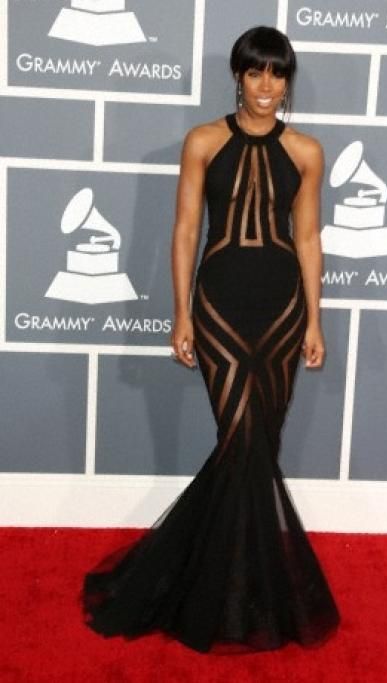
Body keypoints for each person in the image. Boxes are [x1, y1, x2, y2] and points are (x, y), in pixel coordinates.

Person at [81, 25, 341, 654]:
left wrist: (314, 319)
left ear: (287, 81)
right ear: (237, 76)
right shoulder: (202, 141)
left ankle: (241, 589)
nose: (266, 86)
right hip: (220, 307)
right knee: (239, 441)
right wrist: (181, 314)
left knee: (259, 445)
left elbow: (308, 238)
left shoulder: (307, 151)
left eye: (277, 74)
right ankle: (220, 589)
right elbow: (184, 231)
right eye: (255, 72)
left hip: (281, 310)